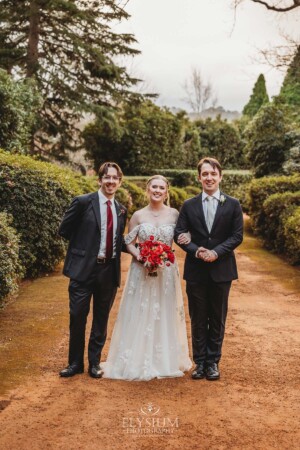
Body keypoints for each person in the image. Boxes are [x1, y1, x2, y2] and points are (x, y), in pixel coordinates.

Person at [103, 175, 192, 381]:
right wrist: (141, 256)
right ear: (148, 189)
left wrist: (187, 239)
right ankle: (136, 358)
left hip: (166, 272)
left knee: (164, 310)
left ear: (166, 191)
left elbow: (183, 236)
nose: (158, 190)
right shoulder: (138, 215)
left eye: (162, 187)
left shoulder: (175, 214)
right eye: (154, 187)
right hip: (141, 270)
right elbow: (127, 241)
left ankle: (165, 360)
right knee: (140, 309)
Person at [174, 157, 243, 381]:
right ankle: (200, 362)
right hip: (196, 269)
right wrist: (197, 250)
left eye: (213, 174)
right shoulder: (189, 205)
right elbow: (179, 234)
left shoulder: (232, 204)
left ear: (220, 176)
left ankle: (213, 362)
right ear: (199, 178)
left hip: (222, 269)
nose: (209, 178)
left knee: (217, 317)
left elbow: (237, 236)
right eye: (205, 174)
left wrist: (216, 252)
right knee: (197, 317)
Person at [58, 162, 127, 378]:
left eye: (115, 178)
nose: (111, 181)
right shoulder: (82, 202)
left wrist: (139, 252)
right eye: (107, 177)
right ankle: (75, 363)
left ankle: (95, 363)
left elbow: (118, 239)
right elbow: (64, 230)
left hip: (108, 271)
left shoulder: (121, 209)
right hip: (82, 270)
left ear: (119, 182)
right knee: (77, 315)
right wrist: (83, 250)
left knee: (101, 318)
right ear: (100, 180)